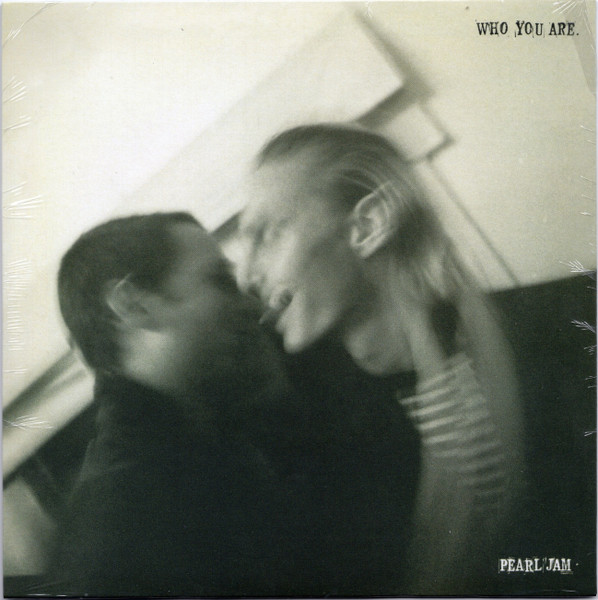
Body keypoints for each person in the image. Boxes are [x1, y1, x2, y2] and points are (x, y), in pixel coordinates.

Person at [46, 211, 420, 596]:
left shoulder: (202, 441)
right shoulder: (129, 520)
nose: (251, 307)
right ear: (133, 304)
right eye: (221, 281)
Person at [237, 122, 527, 594]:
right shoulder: (292, 426)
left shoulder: (548, 343)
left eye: (269, 234)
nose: (247, 275)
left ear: (368, 226)